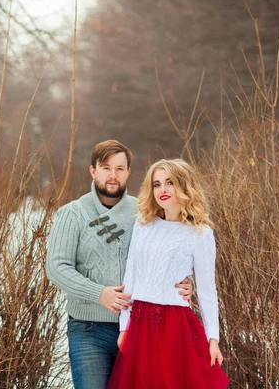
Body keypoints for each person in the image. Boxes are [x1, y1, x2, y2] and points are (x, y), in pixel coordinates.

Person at [46, 140, 194, 389]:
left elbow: (170, 255)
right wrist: (99, 293)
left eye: (120, 168)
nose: (113, 176)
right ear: (93, 171)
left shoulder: (147, 213)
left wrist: (184, 282)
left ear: (128, 172)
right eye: (106, 168)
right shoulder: (72, 214)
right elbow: (57, 267)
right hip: (88, 329)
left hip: (142, 327)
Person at [108, 158, 229, 389]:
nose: (162, 190)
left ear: (183, 185)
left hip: (174, 327)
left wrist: (213, 339)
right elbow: (130, 280)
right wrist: (124, 328)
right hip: (139, 326)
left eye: (169, 182)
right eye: (156, 184)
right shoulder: (144, 225)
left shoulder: (200, 234)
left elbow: (206, 291)